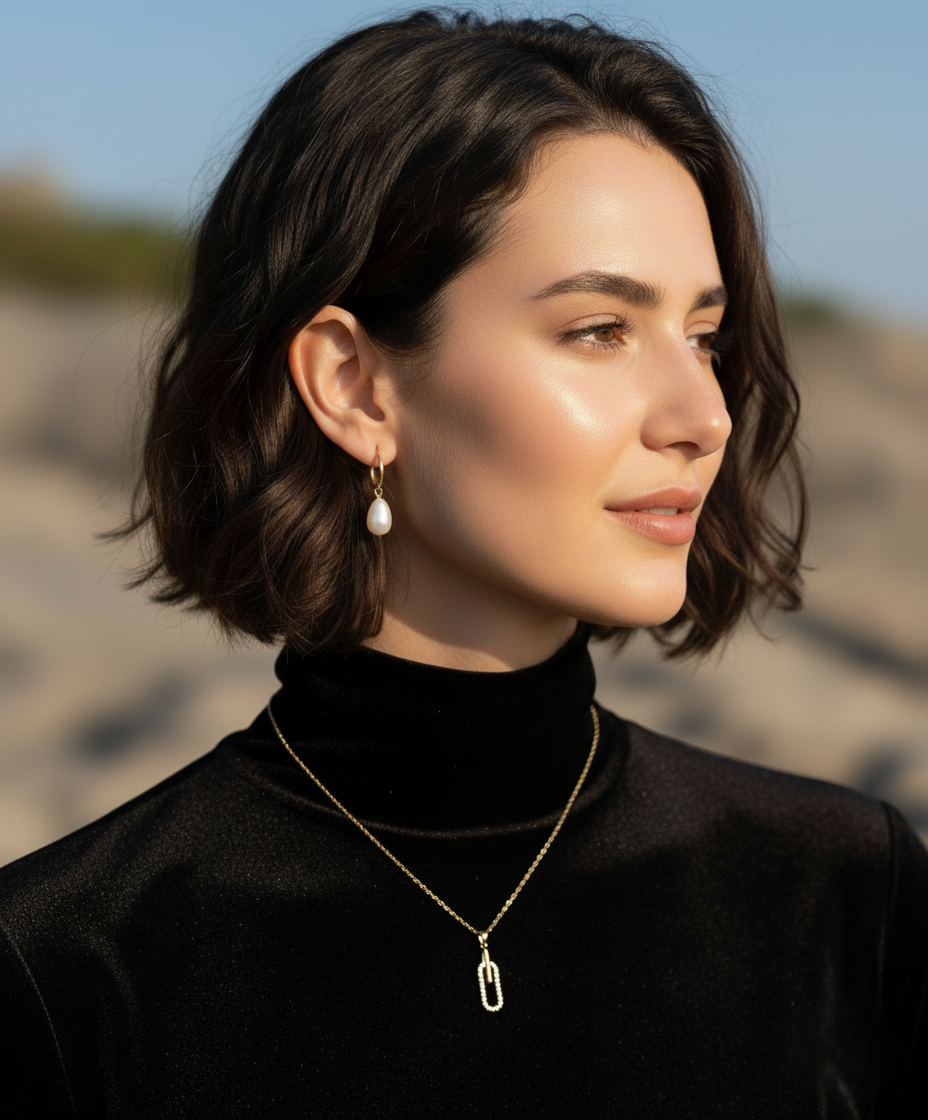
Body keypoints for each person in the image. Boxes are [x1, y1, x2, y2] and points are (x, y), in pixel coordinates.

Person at [1, 10, 925, 1117]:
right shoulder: (68, 967)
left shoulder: (841, 893)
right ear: (353, 384)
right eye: (598, 330)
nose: (703, 416)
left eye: (705, 336)